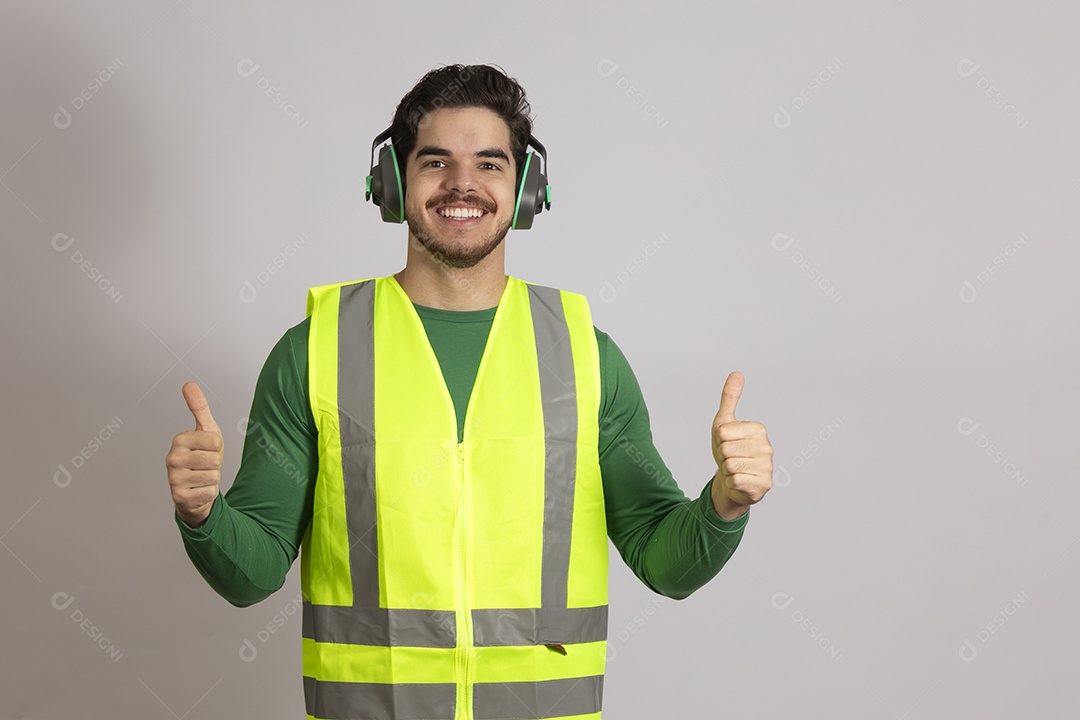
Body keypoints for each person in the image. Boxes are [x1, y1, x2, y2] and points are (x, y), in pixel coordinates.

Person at [165, 64, 773, 720]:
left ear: (526, 187)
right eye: (435, 162)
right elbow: (252, 576)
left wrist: (724, 504)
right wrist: (205, 516)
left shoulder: (586, 358)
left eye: (489, 163)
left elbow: (665, 562)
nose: (463, 184)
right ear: (394, 184)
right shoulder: (314, 352)